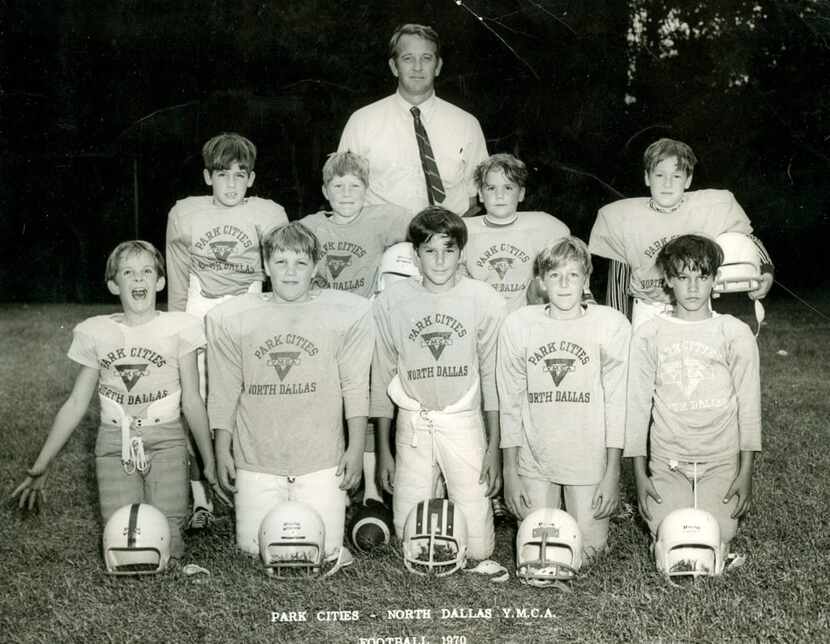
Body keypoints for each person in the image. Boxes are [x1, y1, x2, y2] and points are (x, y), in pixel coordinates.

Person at [12, 241, 222, 561]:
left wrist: (208, 461)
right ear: (114, 284)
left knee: (168, 541)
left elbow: (192, 401)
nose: (138, 280)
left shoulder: (178, 328)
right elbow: (75, 403)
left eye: (146, 272)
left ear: (160, 281)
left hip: (166, 438)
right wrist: (42, 464)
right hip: (114, 442)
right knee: (124, 541)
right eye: (128, 273)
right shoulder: (99, 332)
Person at [206, 222, 374, 560]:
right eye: (281, 262)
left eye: (300, 263)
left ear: (315, 267)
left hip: (320, 459)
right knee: (253, 551)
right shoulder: (233, 317)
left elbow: (355, 386)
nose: (290, 272)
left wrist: (355, 448)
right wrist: (222, 449)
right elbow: (224, 390)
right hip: (257, 458)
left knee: (324, 550)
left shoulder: (346, 313)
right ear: (266, 267)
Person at [166, 132, 288, 528]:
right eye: (223, 175)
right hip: (201, 305)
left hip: (249, 305)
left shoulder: (270, 213)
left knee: (252, 394)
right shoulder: (185, 213)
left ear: (251, 179)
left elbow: (282, 272)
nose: (232, 184)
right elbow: (179, 274)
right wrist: (176, 330)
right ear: (207, 177)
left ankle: (251, 481)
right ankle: (200, 491)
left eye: (240, 175)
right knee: (193, 396)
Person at [372, 206, 506, 561]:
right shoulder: (391, 302)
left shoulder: (483, 299)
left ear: (461, 252)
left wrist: (494, 446)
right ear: (415, 255)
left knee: (479, 549)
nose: (440, 260)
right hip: (413, 421)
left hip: (462, 419)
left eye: (449, 250)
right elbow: (382, 375)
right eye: (429, 250)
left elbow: (493, 377)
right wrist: (384, 453)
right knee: (408, 539)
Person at [625, 234, 761, 558]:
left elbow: (749, 405)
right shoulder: (649, 334)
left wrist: (746, 472)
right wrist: (640, 477)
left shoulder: (734, 332)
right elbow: (637, 407)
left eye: (702, 277)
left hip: (719, 457)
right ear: (669, 280)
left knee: (720, 533)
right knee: (666, 531)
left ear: (715, 279)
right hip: (670, 457)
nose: (693, 287)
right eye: (683, 277)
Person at [497, 237, 630, 558]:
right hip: (535, 454)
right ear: (541, 282)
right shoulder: (519, 324)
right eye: (555, 275)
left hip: (586, 455)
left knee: (587, 555)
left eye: (573, 275)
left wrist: (612, 473)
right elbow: (510, 404)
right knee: (537, 553)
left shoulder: (609, 324)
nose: (564, 283)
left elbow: (617, 404)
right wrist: (510, 473)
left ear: (586, 279)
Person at [299, 151, 412, 506]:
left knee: (363, 398)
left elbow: (430, 233)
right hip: (323, 325)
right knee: (327, 400)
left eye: (355, 186)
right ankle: (334, 477)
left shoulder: (385, 217)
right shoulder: (310, 226)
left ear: (367, 189)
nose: (346, 193)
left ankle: (373, 489)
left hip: (365, 321)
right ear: (325, 190)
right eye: (338, 186)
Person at [588, 138, 773, 328]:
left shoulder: (709, 208)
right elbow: (618, 281)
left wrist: (766, 271)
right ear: (647, 177)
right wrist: (617, 327)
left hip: (696, 307)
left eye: (676, 176)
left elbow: (747, 238)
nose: (667, 183)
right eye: (659, 175)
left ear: (688, 180)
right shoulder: (625, 218)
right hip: (647, 309)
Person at [338, 24, 488, 216]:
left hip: (447, 238)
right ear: (394, 67)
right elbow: (342, 190)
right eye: (408, 58)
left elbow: (475, 195)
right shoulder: (361, 122)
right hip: (381, 239)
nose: (417, 67)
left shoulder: (467, 124)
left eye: (426, 58)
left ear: (438, 66)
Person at [461, 153, 570, 311]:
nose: (499, 195)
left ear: (521, 194)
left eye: (508, 187)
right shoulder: (463, 230)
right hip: (481, 317)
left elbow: (571, 270)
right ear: (480, 194)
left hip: (527, 319)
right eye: (491, 188)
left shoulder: (546, 226)